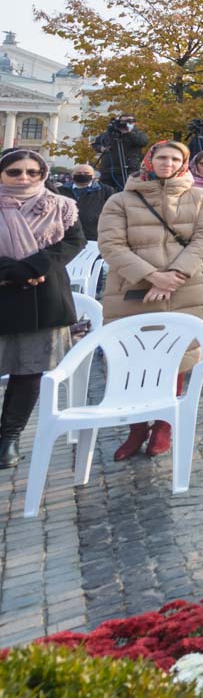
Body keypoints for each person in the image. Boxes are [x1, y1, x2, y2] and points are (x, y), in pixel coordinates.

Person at [96, 140, 203, 462]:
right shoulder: (120, 200)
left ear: (183, 163)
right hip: (133, 288)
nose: (168, 163)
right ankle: (136, 427)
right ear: (149, 160)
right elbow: (111, 245)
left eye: (175, 158)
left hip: (184, 286)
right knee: (132, 359)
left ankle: (164, 424)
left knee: (176, 356)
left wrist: (174, 275)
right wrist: (152, 276)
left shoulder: (200, 197)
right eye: (162, 157)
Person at [0, 148, 86, 469]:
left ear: (43, 174)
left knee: (28, 370)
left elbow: (72, 242)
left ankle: (8, 439)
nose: (24, 177)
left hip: (44, 296)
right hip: (4, 290)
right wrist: (13, 271)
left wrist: (33, 266)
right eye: (15, 171)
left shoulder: (61, 206)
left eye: (32, 172)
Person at [92, 115, 147, 191]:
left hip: (129, 168)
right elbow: (95, 144)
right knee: (106, 191)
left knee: (127, 191)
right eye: (123, 121)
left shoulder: (138, 134)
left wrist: (129, 132)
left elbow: (143, 142)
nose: (126, 123)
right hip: (108, 169)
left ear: (134, 123)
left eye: (129, 121)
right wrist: (101, 148)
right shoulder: (110, 134)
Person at [56, 164, 110, 240]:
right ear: (72, 175)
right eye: (78, 173)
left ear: (93, 176)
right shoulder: (59, 191)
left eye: (86, 173)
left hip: (94, 236)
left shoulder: (106, 191)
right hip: (66, 236)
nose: (82, 175)